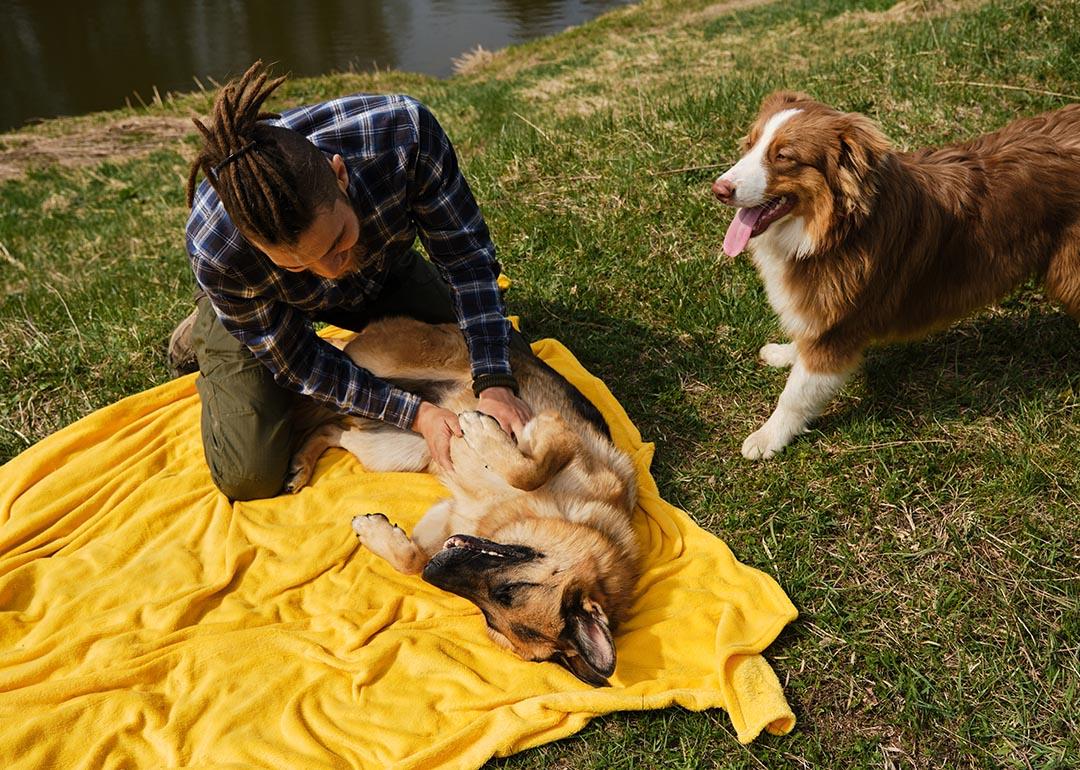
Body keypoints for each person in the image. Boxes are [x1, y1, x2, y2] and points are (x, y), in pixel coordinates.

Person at [169, 61, 532, 500]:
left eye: (336, 238)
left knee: (510, 357)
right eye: (300, 263)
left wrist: (493, 381)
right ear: (255, 244)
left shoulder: (406, 137)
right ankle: (210, 327)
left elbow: (467, 263)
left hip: (377, 271)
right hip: (271, 305)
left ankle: (318, 262)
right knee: (250, 475)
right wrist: (415, 415)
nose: (329, 268)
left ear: (340, 175)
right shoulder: (217, 246)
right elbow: (300, 363)